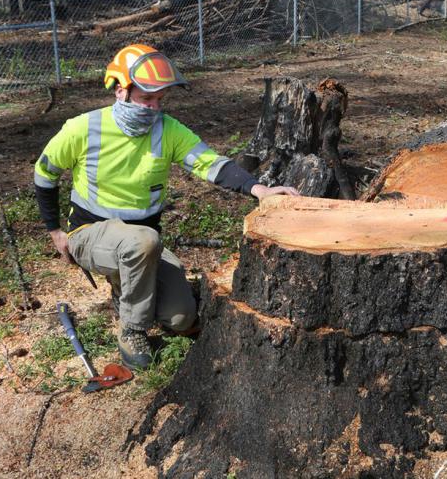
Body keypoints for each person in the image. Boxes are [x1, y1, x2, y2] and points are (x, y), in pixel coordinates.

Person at [34, 44, 299, 369]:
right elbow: (44, 174)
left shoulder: (168, 130)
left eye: (160, 100)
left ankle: (128, 290)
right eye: (147, 99)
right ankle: (132, 329)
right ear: (121, 91)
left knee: (182, 317)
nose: (154, 108)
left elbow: (210, 164)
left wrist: (261, 190)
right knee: (142, 243)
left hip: (142, 240)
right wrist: (55, 231)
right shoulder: (83, 128)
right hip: (89, 233)